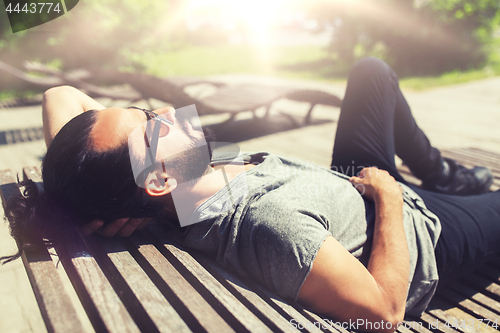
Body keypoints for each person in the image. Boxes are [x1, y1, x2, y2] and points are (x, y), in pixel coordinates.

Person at [1, 57, 498, 332]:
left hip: (345, 184)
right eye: (151, 123)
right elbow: (385, 312)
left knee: (372, 71)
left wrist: (79, 199)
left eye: (143, 108)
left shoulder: (175, 181)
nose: (166, 113)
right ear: (158, 180)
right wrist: (389, 197)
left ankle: (444, 171)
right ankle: (447, 186)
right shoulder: (266, 222)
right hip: (418, 233)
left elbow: (59, 97)